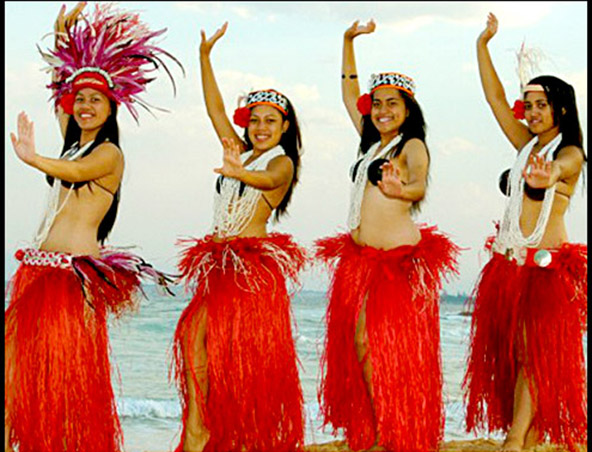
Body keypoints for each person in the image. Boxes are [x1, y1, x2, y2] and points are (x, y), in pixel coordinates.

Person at [4, 3, 181, 452]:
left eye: (95, 99)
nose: (84, 105)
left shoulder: (109, 156)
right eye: (79, 99)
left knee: (63, 381)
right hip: (38, 275)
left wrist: (32, 159)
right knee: (14, 375)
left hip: (71, 280)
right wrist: (62, 35)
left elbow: (74, 174)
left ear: (111, 108)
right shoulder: (73, 145)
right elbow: (60, 82)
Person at [315, 20, 460, 452]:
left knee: (376, 346)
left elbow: (417, 183)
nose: (381, 110)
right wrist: (346, 42)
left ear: (407, 108)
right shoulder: (371, 146)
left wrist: (403, 190)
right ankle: (383, 429)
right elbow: (347, 93)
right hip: (362, 260)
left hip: (397, 262)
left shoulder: (411, 145)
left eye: (391, 103)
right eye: (376, 103)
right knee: (361, 346)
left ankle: (388, 434)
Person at [171, 22, 305, 452]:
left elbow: (266, 180)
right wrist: (205, 56)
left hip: (250, 272)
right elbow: (214, 111)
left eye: (271, 121)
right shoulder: (240, 149)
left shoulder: (282, 162)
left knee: (236, 361)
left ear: (284, 128)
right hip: (220, 265)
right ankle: (200, 430)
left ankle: (219, 437)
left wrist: (239, 172)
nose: (261, 127)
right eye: (255, 120)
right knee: (195, 345)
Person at [462, 13, 587, 452]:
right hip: (511, 266)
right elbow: (495, 99)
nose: (531, 113)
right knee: (518, 357)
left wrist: (548, 176)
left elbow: (566, 167)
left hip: (546, 272)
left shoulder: (567, 151)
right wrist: (482, 46)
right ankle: (527, 439)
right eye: (528, 105)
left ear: (561, 109)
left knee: (535, 358)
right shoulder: (525, 146)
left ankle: (514, 441)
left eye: (541, 105)